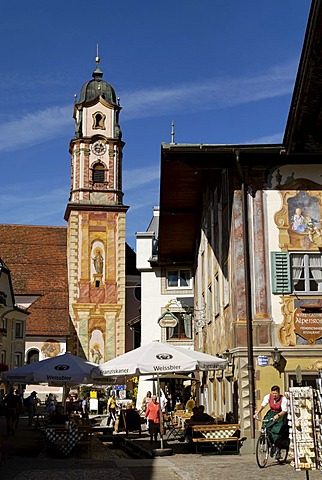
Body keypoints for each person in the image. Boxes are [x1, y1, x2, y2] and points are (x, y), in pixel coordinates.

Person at [254, 385, 288, 460]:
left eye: (275, 394)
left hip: (280, 414)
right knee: (265, 426)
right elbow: (263, 405)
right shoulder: (268, 397)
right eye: (273, 393)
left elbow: (284, 410)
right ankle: (268, 443)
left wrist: (278, 415)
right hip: (271, 413)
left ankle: (277, 448)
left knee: (276, 431)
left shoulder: (283, 399)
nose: (274, 395)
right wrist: (257, 413)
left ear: (279, 393)